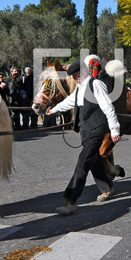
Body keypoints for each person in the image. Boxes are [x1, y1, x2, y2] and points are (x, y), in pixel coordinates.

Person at [46, 59, 121, 216]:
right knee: (94, 160)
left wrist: (114, 130)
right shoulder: (80, 88)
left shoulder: (96, 84)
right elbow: (69, 102)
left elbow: (108, 107)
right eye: (72, 76)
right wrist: (54, 110)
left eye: (76, 74)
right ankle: (108, 188)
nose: (74, 78)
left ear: (84, 71)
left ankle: (70, 201)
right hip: (85, 130)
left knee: (82, 163)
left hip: (96, 130)